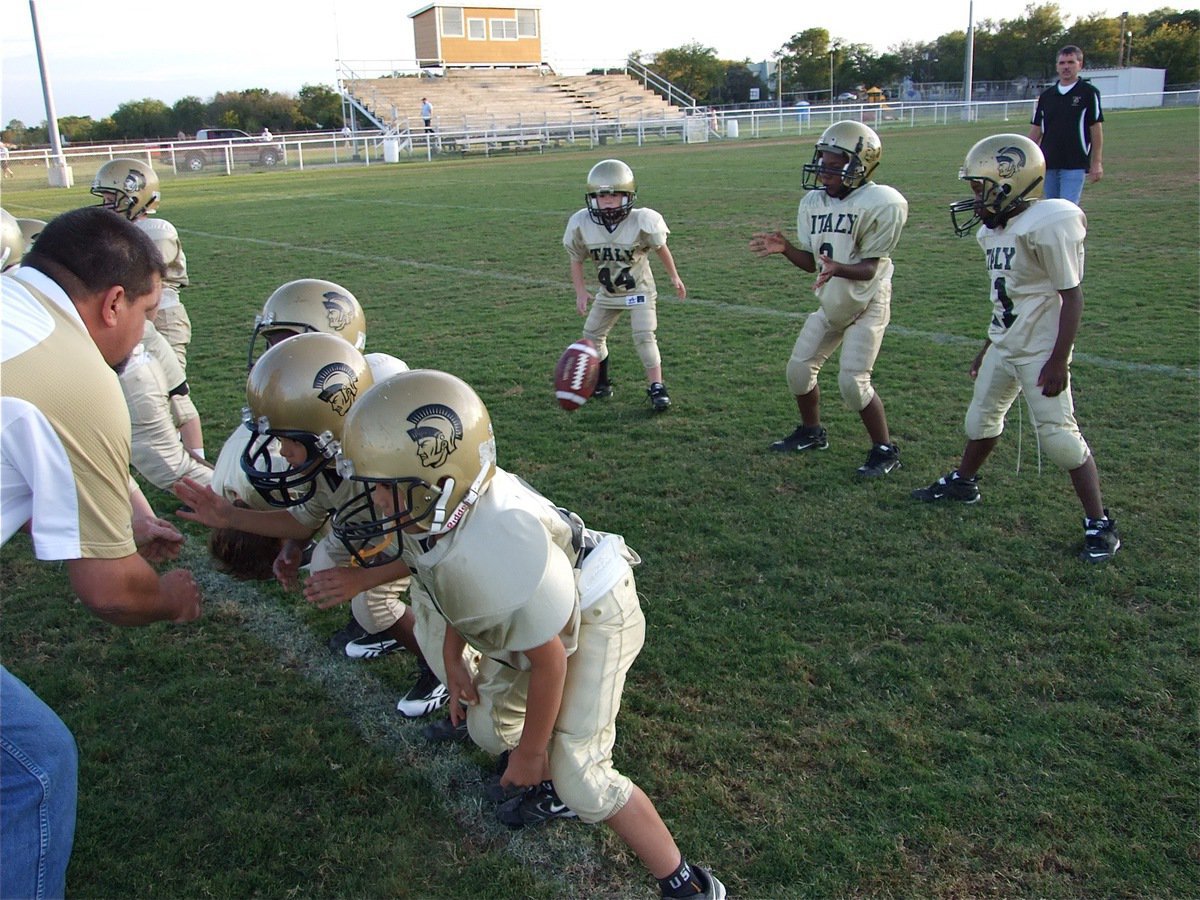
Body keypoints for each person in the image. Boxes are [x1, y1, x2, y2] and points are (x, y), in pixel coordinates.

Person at [331, 369, 726, 899]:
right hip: (538, 610)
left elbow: (550, 661)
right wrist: (452, 660)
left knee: (580, 772)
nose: (375, 501)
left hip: (596, 605)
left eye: (383, 487)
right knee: (490, 731)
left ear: (436, 475)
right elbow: (438, 574)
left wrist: (534, 753)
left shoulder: (494, 546)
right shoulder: (446, 512)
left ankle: (687, 883)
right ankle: (547, 781)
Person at [1, 206, 203, 900]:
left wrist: (133, 516)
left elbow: (40, 458)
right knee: (33, 765)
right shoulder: (77, 373)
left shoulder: (14, 304)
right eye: (147, 311)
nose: (146, 329)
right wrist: (170, 598)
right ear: (113, 301)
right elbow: (112, 591)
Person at [173, 334, 448, 716]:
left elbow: (429, 552)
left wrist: (364, 581)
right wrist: (238, 521)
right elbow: (306, 515)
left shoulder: (386, 470)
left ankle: (444, 672)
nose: (281, 452)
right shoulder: (327, 463)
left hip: (416, 544)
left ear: (326, 431)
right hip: (372, 527)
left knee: (376, 605)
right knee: (322, 564)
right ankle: (400, 633)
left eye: (287, 440)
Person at [914, 133, 1120, 563]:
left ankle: (1099, 523)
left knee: (1061, 439)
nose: (975, 200)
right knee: (980, 420)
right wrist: (985, 345)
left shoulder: (1049, 222)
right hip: (1004, 343)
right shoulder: (994, 234)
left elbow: (1072, 296)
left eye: (980, 190)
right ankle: (964, 482)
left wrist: (1059, 359)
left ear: (1010, 184)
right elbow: (1005, 298)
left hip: (1040, 352)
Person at [750, 120, 908, 477]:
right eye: (822, 160)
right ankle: (811, 431)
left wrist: (838, 267)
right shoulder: (814, 203)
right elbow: (813, 264)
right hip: (832, 301)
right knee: (798, 371)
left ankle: (885, 449)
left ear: (860, 164)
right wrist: (786, 249)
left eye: (834, 163)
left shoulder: (881, 202)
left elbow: (868, 269)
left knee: (853, 383)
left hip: (868, 302)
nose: (824, 169)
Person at [564, 159, 687, 412]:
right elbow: (576, 259)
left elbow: (661, 247)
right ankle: (602, 382)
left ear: (628, 196)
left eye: (615, 195)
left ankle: (657, 387)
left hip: (638, 291)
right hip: (608, 292)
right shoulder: (581, 223)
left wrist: (673, 276)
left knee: (644, 335)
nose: (608, 201)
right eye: (602, 195)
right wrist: (580, 290)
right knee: (592, 335)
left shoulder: (642, 220)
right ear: (592, 197)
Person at [92, 158, 193, 374]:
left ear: (134, 195)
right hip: (137, 317)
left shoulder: (155, 230)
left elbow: (143, 280)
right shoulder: (124, 233)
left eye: (111, 199)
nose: (106, 206)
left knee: (170, 388)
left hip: (162, 316)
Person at [1028, 45, 1104, 205]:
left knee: (1067, 209)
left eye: (1071, 62)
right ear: (1057, 66)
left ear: (1080, 65)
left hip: (1074, 163)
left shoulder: (1088, 93)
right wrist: (1026, 157)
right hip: (1048, 163)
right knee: (1052, 208)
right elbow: (1036, 130)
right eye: (1062, 63)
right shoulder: (1046, 96)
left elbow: (1095, 128)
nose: (1066, 67)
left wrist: (1096, 162)